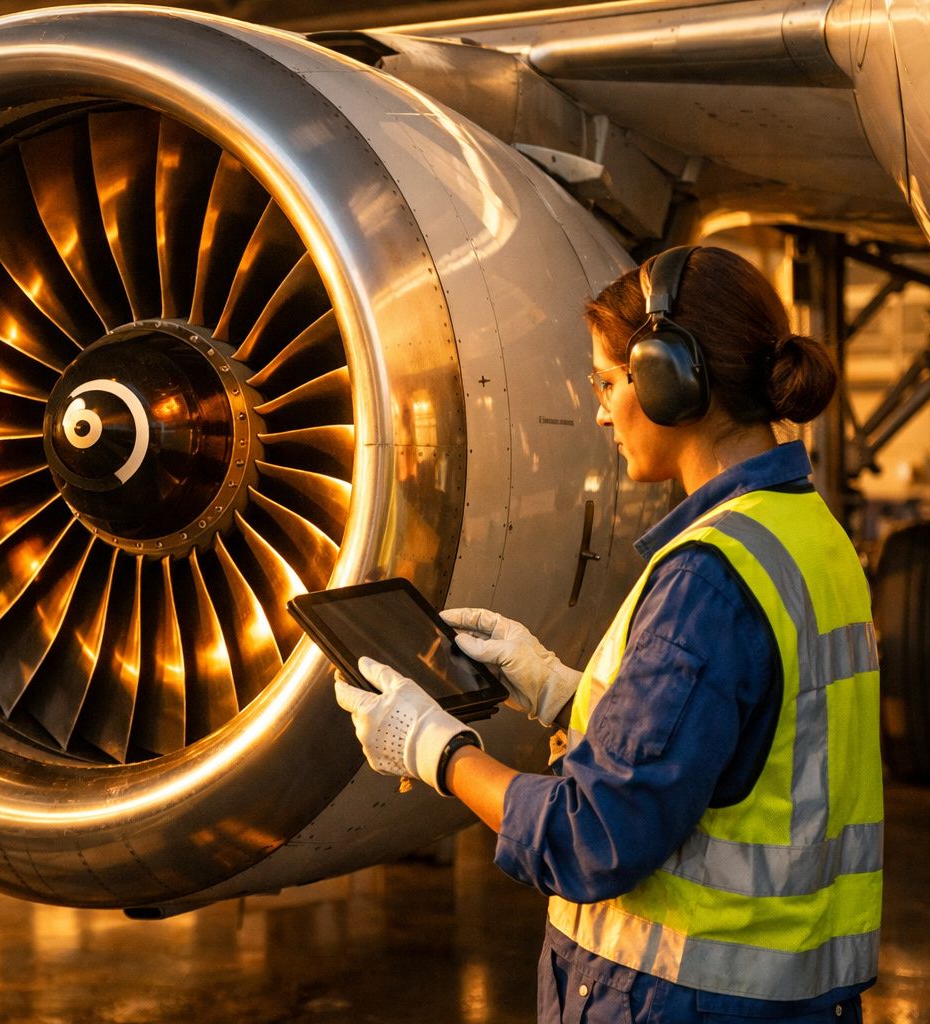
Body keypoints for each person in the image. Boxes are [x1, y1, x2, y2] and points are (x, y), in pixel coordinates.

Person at [334, 246, 881, 1022]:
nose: (597, 411)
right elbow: (732, 741)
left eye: (606, 382)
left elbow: (594, 837)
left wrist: (434, 750)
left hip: (685, 999)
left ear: (668, 379)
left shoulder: (709, 577)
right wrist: (558, 691)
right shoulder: (807, 534)